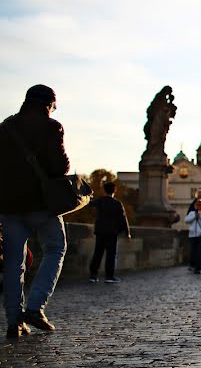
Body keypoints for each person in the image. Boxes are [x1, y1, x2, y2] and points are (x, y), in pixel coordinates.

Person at [0, 85, 71, 338]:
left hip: (8, 206)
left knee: (13, 263)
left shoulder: (5, 127)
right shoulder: (51, 127)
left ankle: (13, 322)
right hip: (42, 204)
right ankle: (35, 307)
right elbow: (60, 167)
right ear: (48, 104)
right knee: (55, 248)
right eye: (54, 106)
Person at [88, 181, 131, 284]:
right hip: (112, 232)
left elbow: (89, 203)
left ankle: (93, 275)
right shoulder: (117, 204)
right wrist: (127, 232)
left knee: (98, 253)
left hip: (100, 231)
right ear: (114, 191)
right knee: (111, 255)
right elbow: (123, 219)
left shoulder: (100, 201)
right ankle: (109, 276)